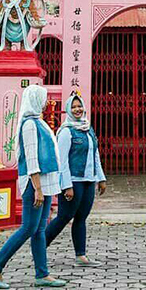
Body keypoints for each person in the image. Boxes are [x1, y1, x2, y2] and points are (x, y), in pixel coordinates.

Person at [0, 85, 66, 288]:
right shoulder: (30, 124)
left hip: (46, 183)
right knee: (28, 227)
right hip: (35, 183)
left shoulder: (39, 123)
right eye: (43, 98)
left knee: (39, 230)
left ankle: (42, 274)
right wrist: (37, 188)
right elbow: (31, 158)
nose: (46, 101)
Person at [45, 92, 107, 267]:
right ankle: (40, 247)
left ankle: (81, 256)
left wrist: (100, 178)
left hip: (89, 180)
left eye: (79, 106)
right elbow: (61, 160)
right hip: (73, 180)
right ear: (68, 110)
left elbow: (95, 155)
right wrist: (66, 185)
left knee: (81, 218)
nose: (77, 109)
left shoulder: (88, 128)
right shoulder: (66, 132)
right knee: (64, 216)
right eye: (73, 107)